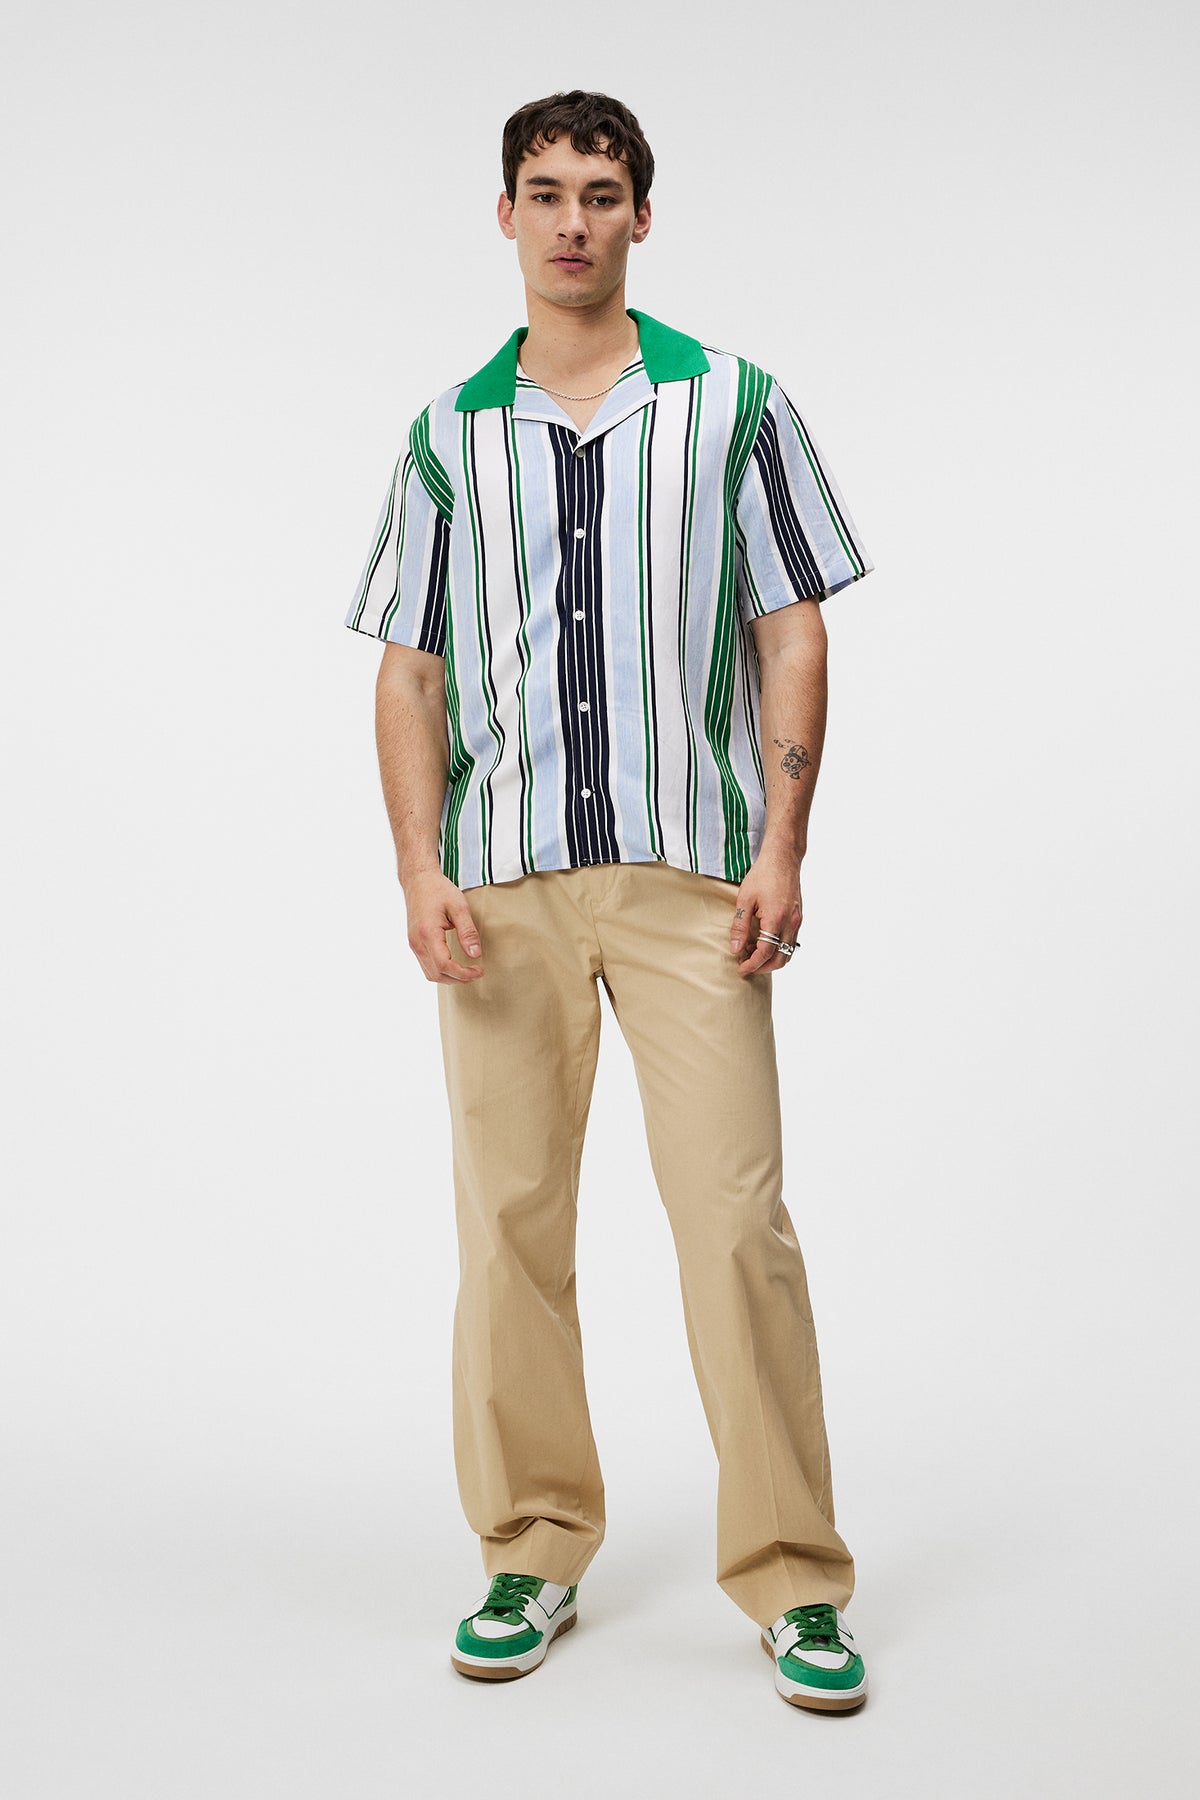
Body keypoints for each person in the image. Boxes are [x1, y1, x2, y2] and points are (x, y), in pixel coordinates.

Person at [343, 89, 876, 1712]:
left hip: (689, 882)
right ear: (503, 215)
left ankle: (792, 1578)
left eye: (599, 192)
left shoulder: (734, 405)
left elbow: (793, 629)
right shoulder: (448, 433)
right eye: (544, 191)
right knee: (508, 1230)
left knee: (734, 1224)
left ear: (643, 214)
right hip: (498, 888)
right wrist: (419, 870)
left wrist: (784, 846)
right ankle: (531, 1547)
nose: (571, 219)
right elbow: (409, 670)